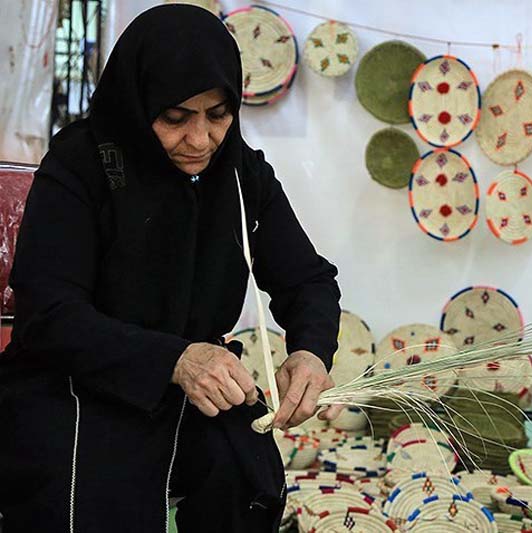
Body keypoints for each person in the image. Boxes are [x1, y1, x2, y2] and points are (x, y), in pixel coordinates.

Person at [0, 5, 342, 532]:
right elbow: (51, 315)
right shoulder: (82, 167)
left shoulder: (240, 175)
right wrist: (174, 359)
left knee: (247, 481)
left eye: (219, 114)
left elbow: (308, 280)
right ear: (138, 103)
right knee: (87, 502)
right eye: (175, 118)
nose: (200, 140)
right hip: (78, 381)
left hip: (196, 382)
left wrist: (312, 351)